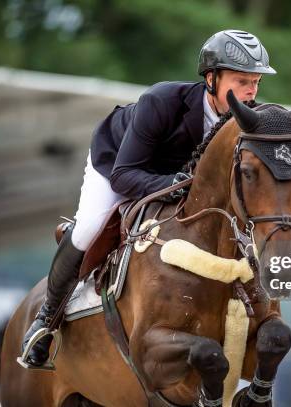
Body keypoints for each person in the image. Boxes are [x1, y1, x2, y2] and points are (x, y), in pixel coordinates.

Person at [20, 29, 277, 367]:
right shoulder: (162, 101)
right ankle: (45, 320)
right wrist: (175, 182)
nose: (251, 91)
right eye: (242, 80)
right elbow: (124, 175)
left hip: (179, 181)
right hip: (119, 163)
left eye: (256, 82)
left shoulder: (247, 121)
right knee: (89, 227)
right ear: (211, 78)